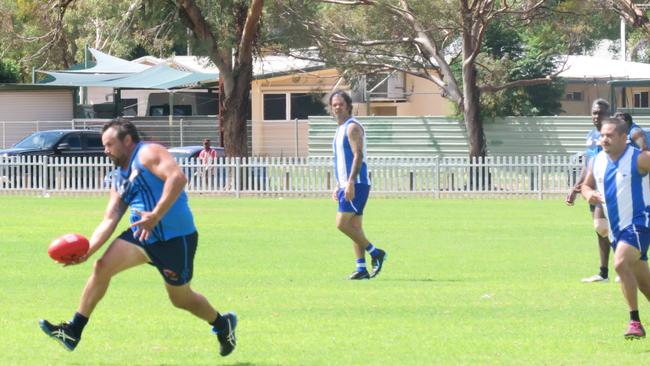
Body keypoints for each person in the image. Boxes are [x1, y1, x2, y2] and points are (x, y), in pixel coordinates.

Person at [38, 119, 237, 356]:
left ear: (127, 140)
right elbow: (110, 218)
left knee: (181, 300)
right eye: (104, 145)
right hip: (141, 235)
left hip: (174, 239)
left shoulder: (148, 152)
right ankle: (73, 331)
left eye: (110, 144)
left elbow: (178, 178)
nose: (105, 150)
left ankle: (222, 324)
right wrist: (87, 251)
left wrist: (156, 215)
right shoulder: (118, 177)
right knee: (102, 267)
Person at [581, 117, 650, 339]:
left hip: (640, 223)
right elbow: (586, 185)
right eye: (602, 135)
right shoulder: (598, 160)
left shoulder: (639, 159)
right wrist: (589, 194)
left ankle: (635, 323)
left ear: (623, 137)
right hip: (616, 229)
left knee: (620, 263)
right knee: (644, 283)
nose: (604, 139)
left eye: (610, 135)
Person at [330, 90, 387, 280]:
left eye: (341, 104)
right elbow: (341, 160)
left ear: (348, 106)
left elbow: (358, 156)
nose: (337, 107)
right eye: (334, 104)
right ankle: (361, 268)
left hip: (357, 183)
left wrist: (351, 182)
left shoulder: (352, 127)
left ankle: (375, 252)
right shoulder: (339, 129)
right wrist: (338, 184)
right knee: (355, 227)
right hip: (347, 184)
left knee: (341, 224)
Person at [566, 98, 612, 282]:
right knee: (601, 229)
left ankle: (626, 265)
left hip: (611, 187)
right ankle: (604, 273)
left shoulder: (615, 133)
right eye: (594, 112)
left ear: (608, 114)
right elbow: (589, 165)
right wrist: (575, 188)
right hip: (593, 188)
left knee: (603, 226)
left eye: (600, 113)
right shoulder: (591, 135)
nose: (596, 116)